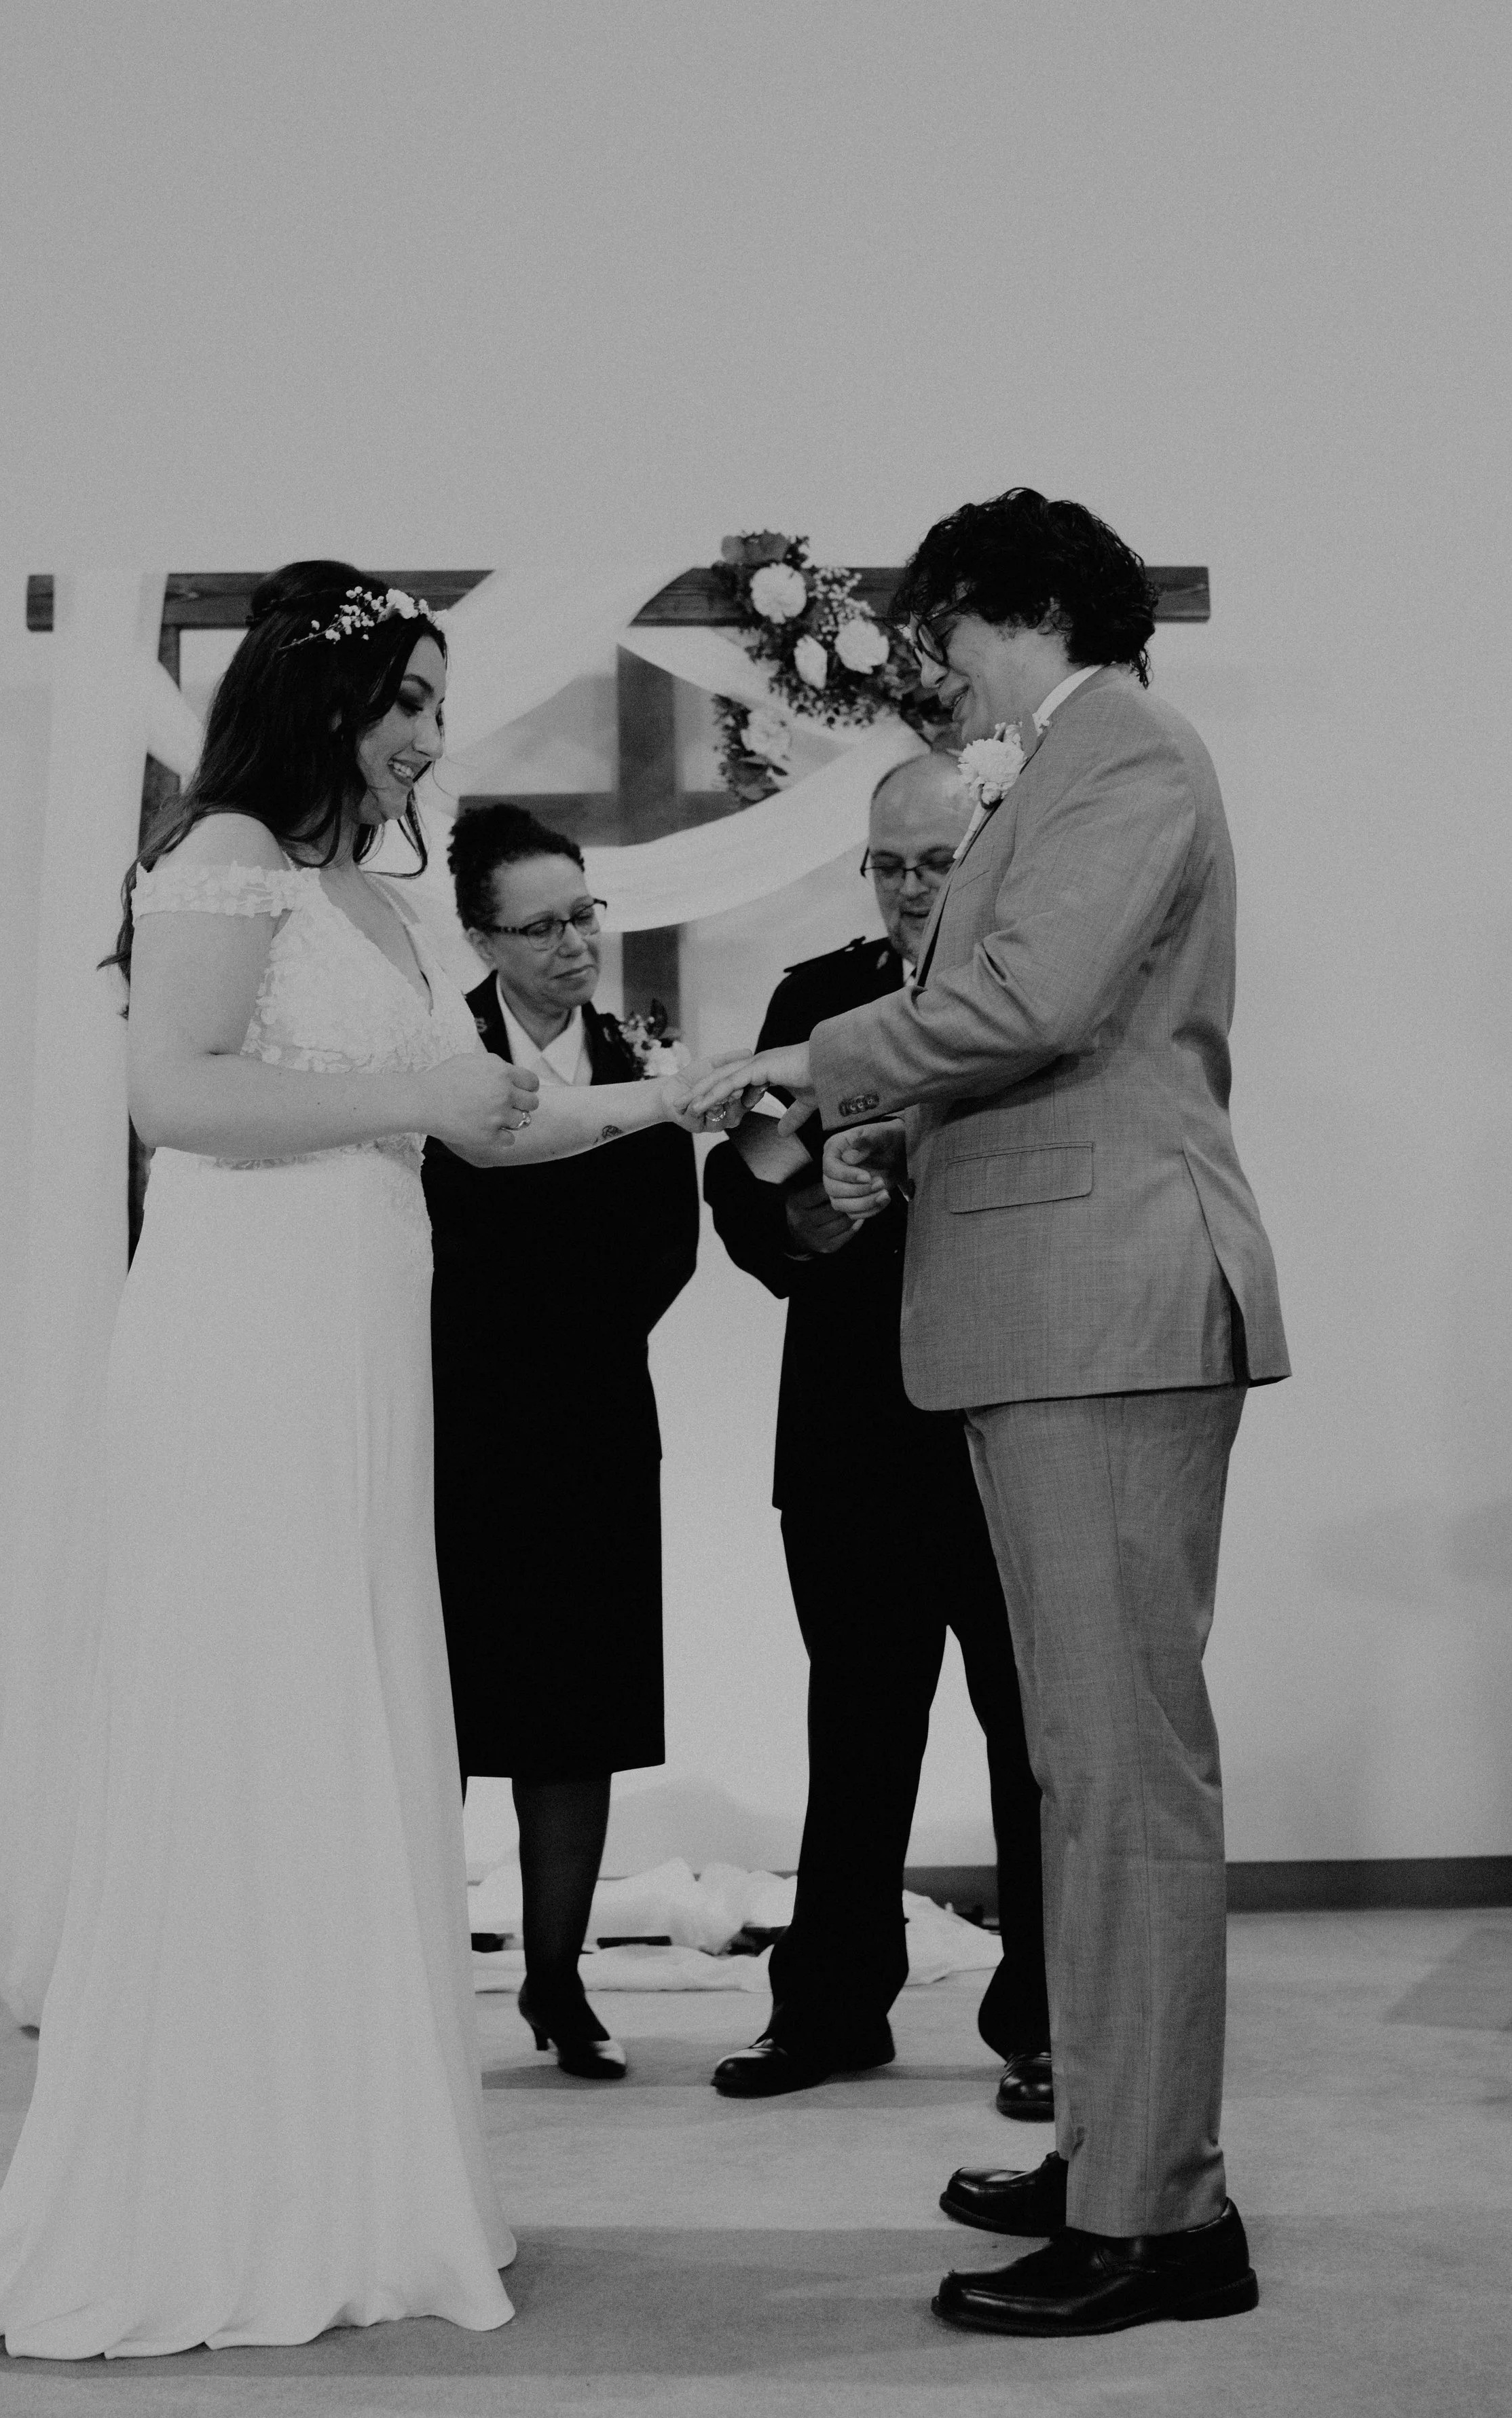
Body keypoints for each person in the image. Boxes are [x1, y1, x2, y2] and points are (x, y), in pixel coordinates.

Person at [0, 562, 708, 2366]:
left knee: (355, 1706)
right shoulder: (218, 850)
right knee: (256, 1706)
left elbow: (495, 1122)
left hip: (362, 1337)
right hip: (245, 1341)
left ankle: (351, 2162)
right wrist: (425, 1105)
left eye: (437, 709)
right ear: (319, 701)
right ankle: (219, 2174)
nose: (426, 742)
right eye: (405, 705)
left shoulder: (373, 899)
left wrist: (681, 1092)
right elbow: (179, 1096)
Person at [689, 490, 1289, 2337]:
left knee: (1121, 1781)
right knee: (1082, 1779)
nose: (929, 670)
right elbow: (1013, 1022)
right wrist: (842, 1130)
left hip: (1103, 1305)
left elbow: (1028, 1001)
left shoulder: (1123, 751)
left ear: (1015, 605)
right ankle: (1115, 2149)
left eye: (942, 631)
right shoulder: (1063, 766)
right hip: (1052, 1309)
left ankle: (1161, 2217)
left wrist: (808, 1056)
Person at [701, 751, 1050, 2114]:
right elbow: (743, 1185)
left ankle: (1046, 2021)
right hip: (849, 1432)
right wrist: (815, 1197)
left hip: (1003, 1421)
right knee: (851, 1729)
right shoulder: (812, 1001)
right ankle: (831, 2005)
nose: (910, 889)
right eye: (887, 863)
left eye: (936, 862)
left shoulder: (1039, 999)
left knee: (1028, 1733)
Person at [422, 803, 699, 2083]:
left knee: (574, 1715)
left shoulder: (639, 1054)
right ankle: (417, 1981)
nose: (576, 944)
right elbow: (421, 1223)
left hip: (591, 1414)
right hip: (453, 1417)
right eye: (542, 926)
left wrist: (570, 1323)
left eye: (586, 913)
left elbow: (664, 1244)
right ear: (481, 936)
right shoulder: (438, 1053)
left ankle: (556, 1978)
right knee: (436, 1705)